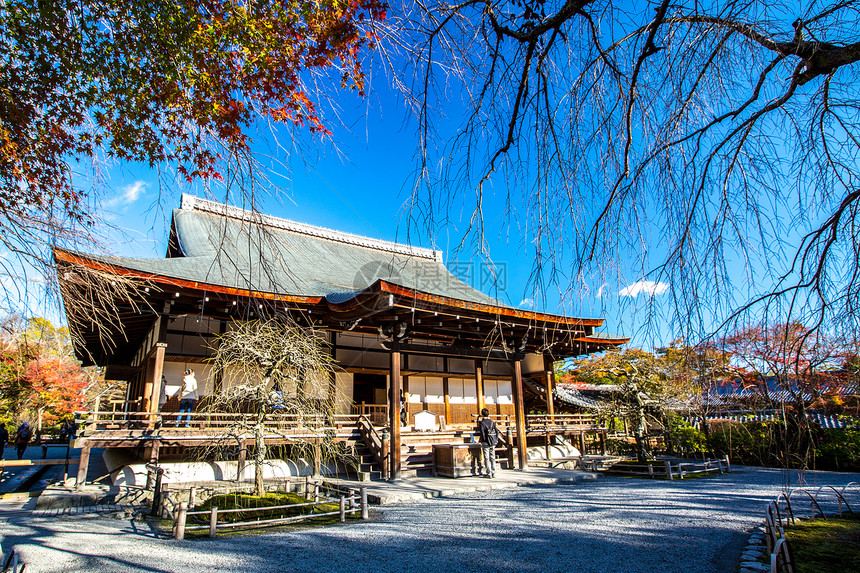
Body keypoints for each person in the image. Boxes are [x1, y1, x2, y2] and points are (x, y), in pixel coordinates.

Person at [476, 408, 499, 478]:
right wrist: (496, 439)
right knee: (492, 457)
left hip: (486, 442)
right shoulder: (492, 422)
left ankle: (488, 473)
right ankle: (494, 472)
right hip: (492, 441)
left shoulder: (482, 423)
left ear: (482, 414)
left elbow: (482, 433)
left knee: (486, 457)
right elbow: (497, 431)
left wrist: (483, 440)